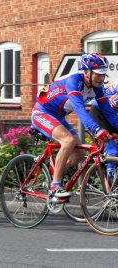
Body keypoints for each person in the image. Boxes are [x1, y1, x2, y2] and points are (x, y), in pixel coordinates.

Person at [31, 53, 118, 198]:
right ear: (86, 72)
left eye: (104, 75)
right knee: (68, 141)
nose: (102, 78)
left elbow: (109, 113)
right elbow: (80, 110)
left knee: (79, 153)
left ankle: (52, 178)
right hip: (41, 113)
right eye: (98, 74)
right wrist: (96, 129)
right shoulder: (74, 81)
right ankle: (55, 188)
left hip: (58, 117)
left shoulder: (97, 87)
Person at [89, 80, 118, 190]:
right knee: (113, 151)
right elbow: (110, 111)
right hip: (99, 115)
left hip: (110, 116)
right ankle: (109, 190)